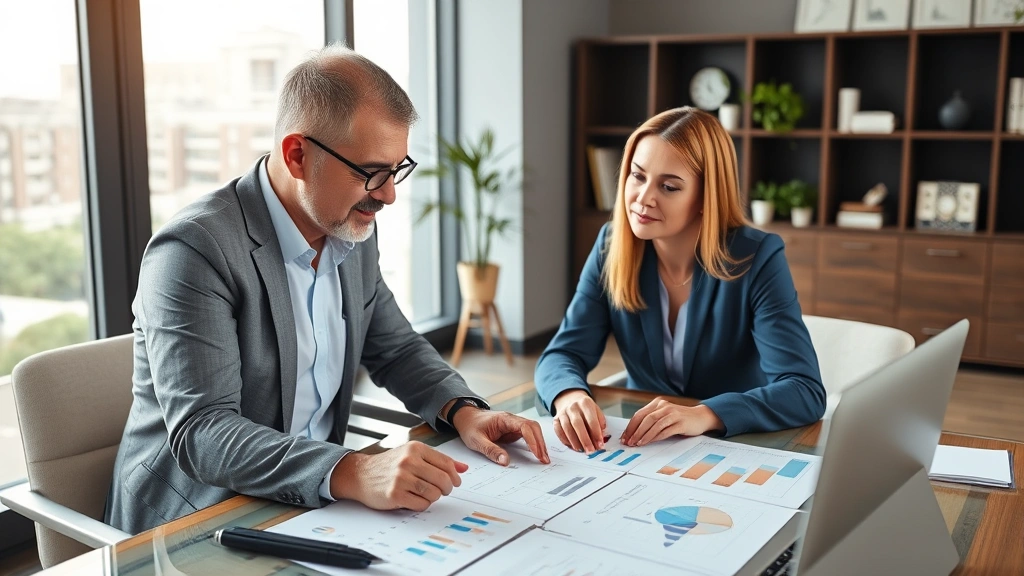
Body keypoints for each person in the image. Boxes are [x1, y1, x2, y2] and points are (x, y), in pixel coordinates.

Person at [105, 44, 549, 535]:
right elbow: (204, 434)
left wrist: (462, 410)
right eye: (371, 173)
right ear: (298, 155)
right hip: (195, 523)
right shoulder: (194, 250)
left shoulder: (349, 226)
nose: (388, 195)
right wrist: (351, 469)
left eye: (397, 169)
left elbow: (395, 347)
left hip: (313, 505)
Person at [535, 106, 825, 454]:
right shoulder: (610, 246)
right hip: (647, 448)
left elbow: (803, 389)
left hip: (738, 446)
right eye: (637, 176)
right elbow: (562, 353)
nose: (643, 199)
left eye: (669, 186)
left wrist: (705, 414)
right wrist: (569, 396)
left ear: (706, 197)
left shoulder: (757, 257)